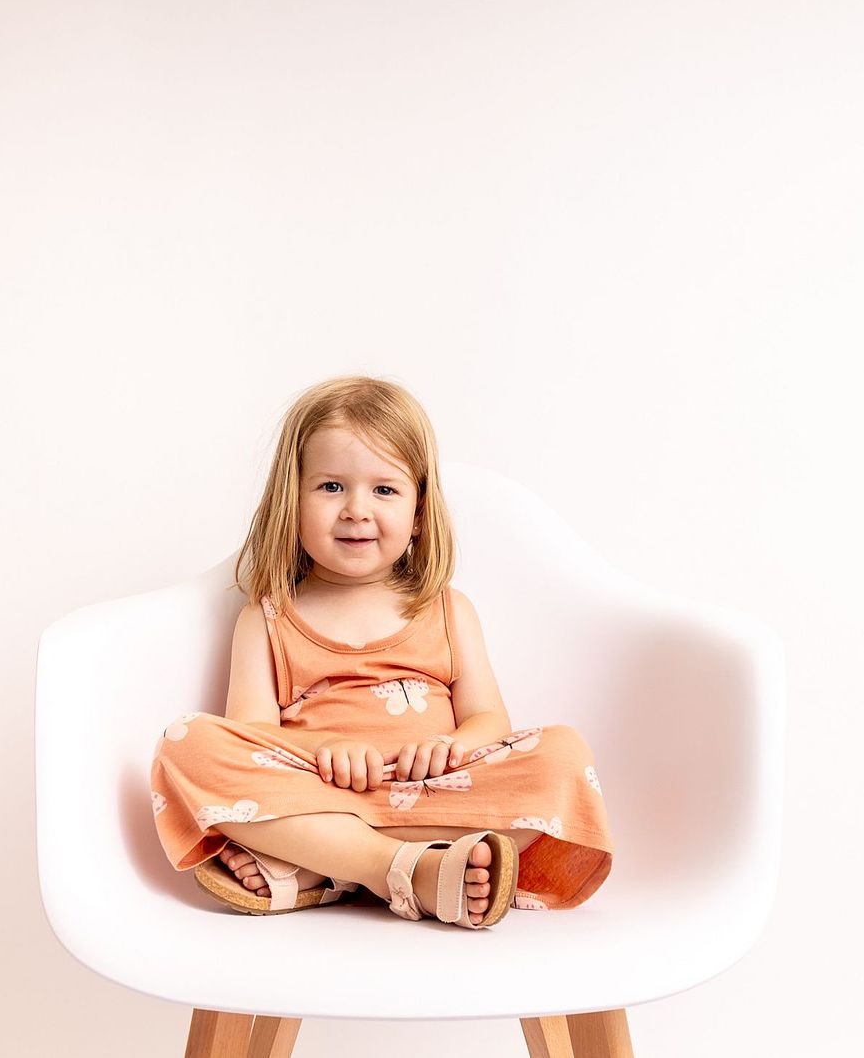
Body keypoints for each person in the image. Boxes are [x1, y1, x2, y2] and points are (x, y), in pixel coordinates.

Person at [151, 375, 613, 929]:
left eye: (384, 490)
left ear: (419, 512)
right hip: (322, 789)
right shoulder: (266, 617)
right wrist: (326, 745)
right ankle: (400, 867)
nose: (355, 510)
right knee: (189, 745)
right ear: (290, 502)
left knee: (562, 753)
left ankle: (321, 866)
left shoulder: (448, 609)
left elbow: (490, 718)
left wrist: (452, 746)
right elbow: (251, 730)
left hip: (435, 791)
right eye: (329, 487)